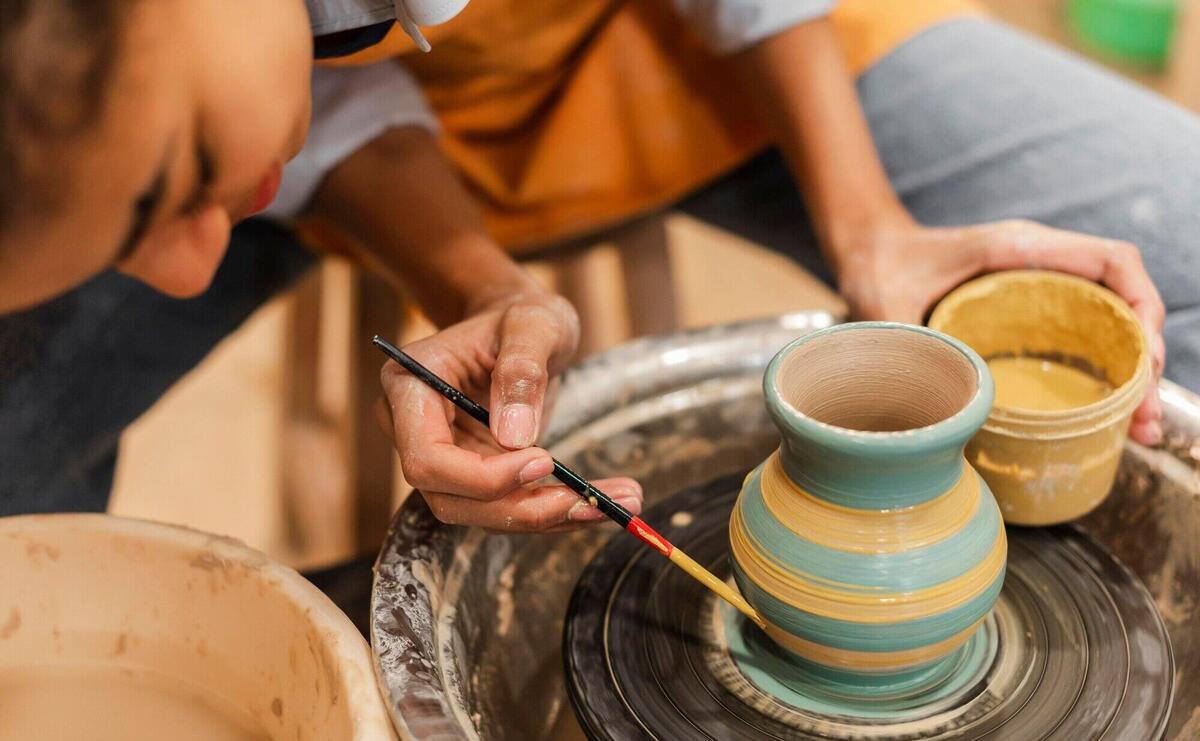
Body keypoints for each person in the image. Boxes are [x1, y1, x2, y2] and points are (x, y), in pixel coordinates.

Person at [2, 0, 1191, 527]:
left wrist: (867, 220)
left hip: (662, 41)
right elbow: (329, 59)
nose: (187, 264)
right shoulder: (169, 98)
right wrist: (482, 284)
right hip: (365, 120)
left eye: (181, 174)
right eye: (124, 230)